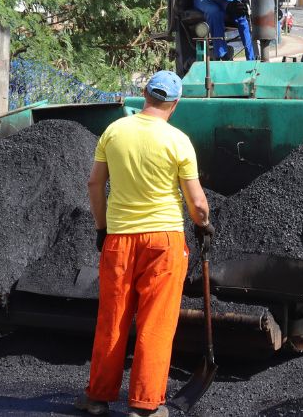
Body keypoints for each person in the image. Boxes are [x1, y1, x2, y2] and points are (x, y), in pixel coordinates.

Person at [80, 71, 213, 417]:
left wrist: (102, 227)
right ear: (176, 103)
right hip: (164, 242)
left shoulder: (114, 132)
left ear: (144, 93)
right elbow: (197, 203)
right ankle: (143, 405)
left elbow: (95, 184)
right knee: (156, 322)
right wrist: (204, 225)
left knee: (113, 318)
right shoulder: (178, 141)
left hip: (119, 240)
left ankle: (97, 398)